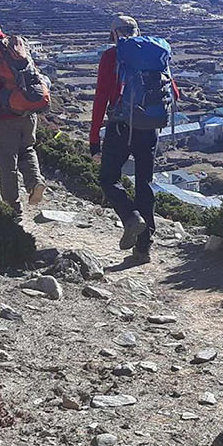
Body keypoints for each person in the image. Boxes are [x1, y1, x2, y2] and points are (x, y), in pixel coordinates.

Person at [89, 14, 177, 261]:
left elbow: (101, 97)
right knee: (144, 184)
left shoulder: (112, 56)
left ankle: (130, 217)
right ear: (137, 31)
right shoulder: (156, 54)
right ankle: (144, 247)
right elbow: (174, 93)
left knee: (108, 178)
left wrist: (94, 138)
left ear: (114, 33)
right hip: (150, 128)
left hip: (121, 127)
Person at [0, 20, 45, 215]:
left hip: (4, 116)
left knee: (6, 162)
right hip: (28, 111)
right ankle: (35, 182)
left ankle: (12, 206)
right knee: (27, 149)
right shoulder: (17, 47)